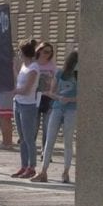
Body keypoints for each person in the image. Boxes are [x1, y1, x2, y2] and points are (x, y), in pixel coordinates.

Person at [31, 50, 78, 183]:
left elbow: (83, 96)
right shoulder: (59, 73)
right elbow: (52, 92)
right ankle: (43, 171)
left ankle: (66, 172)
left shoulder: (81, 76)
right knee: (50, 139)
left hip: (72, 109)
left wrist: (71, 99)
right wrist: (59, 97)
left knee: (68, 141)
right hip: (57, 107)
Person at [10, 39, 40, 179]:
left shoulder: (34, 68)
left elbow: (27, 90)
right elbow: (19, 81)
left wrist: (14, 91)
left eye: (19, 51)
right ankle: (24, 165)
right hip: (18, 103)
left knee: (29, 138)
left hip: (28, 105)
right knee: (21, 138)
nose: (18, 53)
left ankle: (32, 166)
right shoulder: (24, 66)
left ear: (24, 53)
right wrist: (13, 69)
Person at [34, 42, 57, 159]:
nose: (47, 54)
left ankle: (45, 151)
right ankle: (32, 150)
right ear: (39, 51)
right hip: (35, 97)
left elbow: (55, 80)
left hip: (48, 97)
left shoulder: (52, 65)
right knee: (34, 125)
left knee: (47, 126)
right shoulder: (34, 64)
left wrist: (53, 92)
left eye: (49, 52)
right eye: (45, 51)